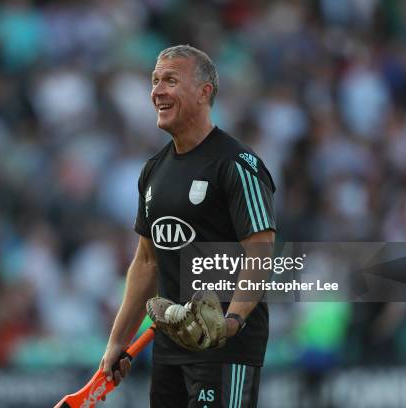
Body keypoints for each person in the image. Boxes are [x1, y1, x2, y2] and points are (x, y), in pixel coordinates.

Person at [100, 45, 276, 408]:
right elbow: (146, 262)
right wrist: (118, 341)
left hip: (225, 346)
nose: (157, 91)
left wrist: (231, 322)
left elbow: (260, 251)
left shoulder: (237, 164)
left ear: (204, 92)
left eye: (170, 80)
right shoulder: (153, 170)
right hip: (169, 348)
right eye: (154, 81)